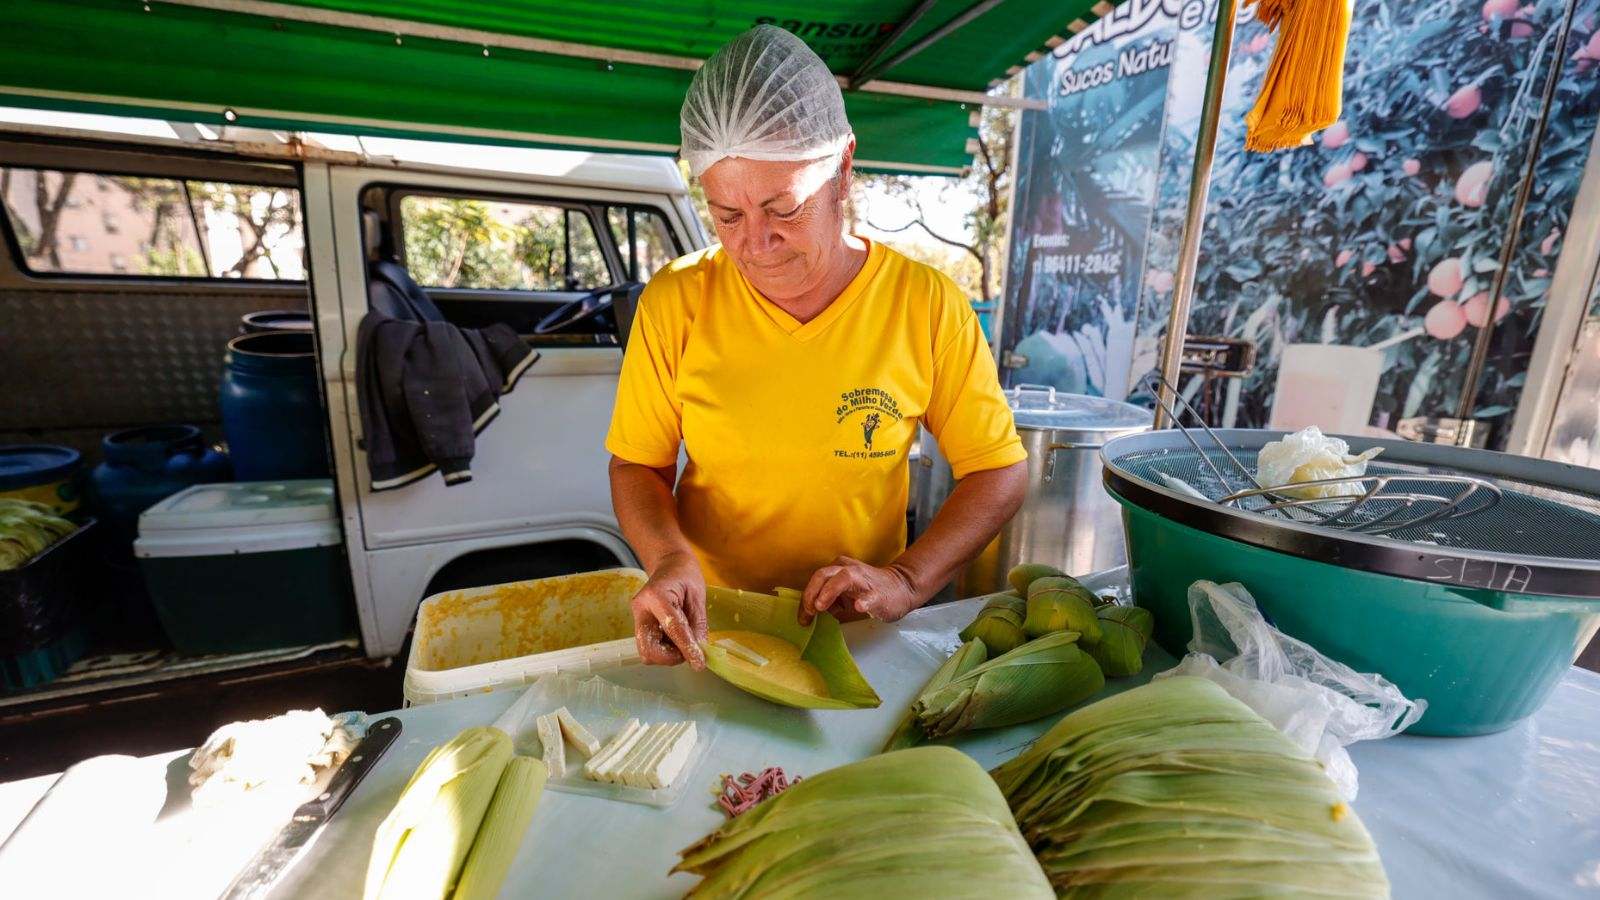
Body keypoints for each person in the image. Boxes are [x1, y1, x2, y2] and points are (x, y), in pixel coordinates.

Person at [606, 24, 1027, 669]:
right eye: (727, 215)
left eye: (784, 209)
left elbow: (998, 470)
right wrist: (667, 559)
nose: (754, 243)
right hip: (713, 631)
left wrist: (909, 581)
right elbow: (638, 465)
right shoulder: (677, 300)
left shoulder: (925, 304)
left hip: (858, 636)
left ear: (844, 171)